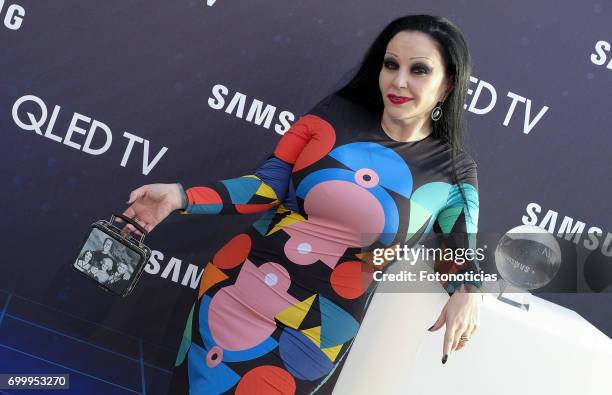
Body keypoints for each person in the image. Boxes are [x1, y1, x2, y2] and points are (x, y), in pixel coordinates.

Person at [118, 14, 484, 395]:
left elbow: (460, 254)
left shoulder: (454, 173)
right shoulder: (333, 115)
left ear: (448, 85)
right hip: (236, 288)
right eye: (391, 64)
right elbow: (265, 186)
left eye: (419, 69)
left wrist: (468, 291)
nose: (399, 80)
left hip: (316, 333)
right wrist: (181, 197)